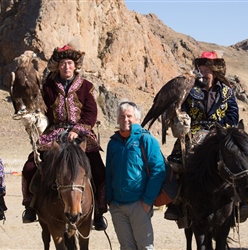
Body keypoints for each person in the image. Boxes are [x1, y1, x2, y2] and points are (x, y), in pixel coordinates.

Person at [21, 43, 107, 230]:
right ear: (57, 66)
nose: (66, 67)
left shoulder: (86, 87)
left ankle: (99, 211)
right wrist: (34, 118)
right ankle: (30, 206)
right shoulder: (48, 87)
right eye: (63, 63)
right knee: (29, 167)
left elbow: (91, 113)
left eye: (69, 63)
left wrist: (78, 130)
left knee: (99, 170)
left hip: (81, 134)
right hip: (54, 132)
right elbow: (40, 108)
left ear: (75, 66)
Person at [165, 51, 248, 224]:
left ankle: (241, 203)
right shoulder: (190, 89)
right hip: (194, 130)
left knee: (240, 159)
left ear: (215, 71)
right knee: (176, 163)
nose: (202, 73)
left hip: (221, 132)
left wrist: (219, 128)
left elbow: (233, 115)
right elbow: (181, 109)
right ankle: (177, 203)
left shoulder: (227, 91)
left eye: (206, 70)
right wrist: (181, 120)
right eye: (201, 69)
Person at [106, 101, 166, 249]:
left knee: (145, 246)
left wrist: (147, 201)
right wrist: (109, 200)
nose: (125, 119)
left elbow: (158, 170)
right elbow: (109, 173)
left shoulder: (146, 140)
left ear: (137, 119)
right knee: (126, 247)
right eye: (122, 116)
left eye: (129, 116)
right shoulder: (113, 143)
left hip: (139, 204)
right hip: (117, 206)